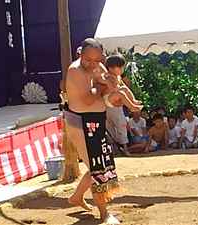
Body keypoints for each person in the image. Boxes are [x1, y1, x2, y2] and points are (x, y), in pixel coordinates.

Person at [65, 38, 120, 224]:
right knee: (96, 168)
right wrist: (101, 85)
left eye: (97, 60)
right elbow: (88, 99)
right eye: (88, 59)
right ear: (81, 54)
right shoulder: (74, 71)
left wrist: (109, 86)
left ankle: (76, 197)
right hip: (80, 123)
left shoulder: (98, 66)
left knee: (101, 163)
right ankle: (104, 213)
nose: (93, 64)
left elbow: (110, 87)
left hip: (97, 122)